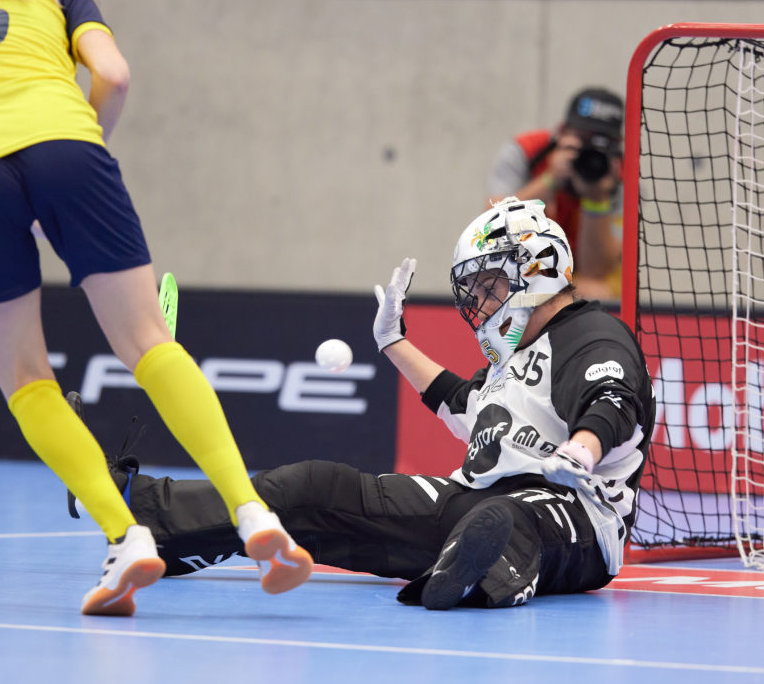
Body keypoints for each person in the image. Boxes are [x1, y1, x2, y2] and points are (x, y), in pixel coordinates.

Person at [0, 0, 312, 616]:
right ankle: (253, 513)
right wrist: (78, 154)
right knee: (148, 342)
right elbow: (113, 75)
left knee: (27, 380)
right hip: (66, 145)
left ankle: (126, 537)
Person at [84, 197, 655, 610]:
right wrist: (394, 343)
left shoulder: (590, 335)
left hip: (573, 512)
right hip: (470, 495)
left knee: (504, 520)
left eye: (488, 286)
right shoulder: (512, 359)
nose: (480, 303)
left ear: (535, 269)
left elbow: (611, 400)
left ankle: (470, 577)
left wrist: (580, 451)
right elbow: (466, 405)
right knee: (312, 487)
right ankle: (150, 513)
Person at [485, 87, 625, 302]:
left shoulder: (620, 175)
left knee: (596, 289)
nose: (591, 152)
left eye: (603, 143)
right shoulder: (526, 152)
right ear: (561, 132)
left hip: (578, 280)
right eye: (583, 139)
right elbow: (489, 230)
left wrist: (596, 199)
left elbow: (595, 271)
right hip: (521, 268)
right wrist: (550, 180)